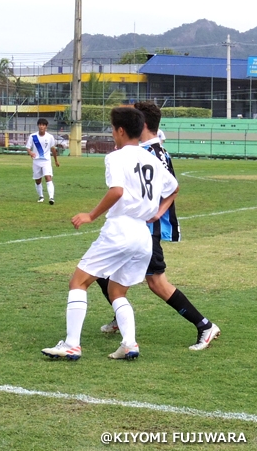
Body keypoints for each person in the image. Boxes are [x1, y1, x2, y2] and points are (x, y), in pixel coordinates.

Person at [41, 107, 179, 361]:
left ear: (121, 130)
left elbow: (116, 191)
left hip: (120, 229)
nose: (112, 134)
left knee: (78, 282)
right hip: (142, 235)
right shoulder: (152, 159)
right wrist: (158, 212)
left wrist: (90, 215)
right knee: (117, 290)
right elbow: (174, 187)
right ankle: (129, 343)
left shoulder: (116, 157)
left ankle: (72, 344)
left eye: (112, 129)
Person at [97, 102, 220, 350]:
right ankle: (120, 318)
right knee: (101, 271)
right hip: (136, 227)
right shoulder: (153, 150)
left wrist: (156, 213)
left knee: (156, 282)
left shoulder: (150, 154)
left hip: (146, 229)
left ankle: (204, 325)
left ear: (141, 124)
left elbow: (171, 189)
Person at [25, 118, 59, 204]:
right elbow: (28, 147)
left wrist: (56, 160)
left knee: (48, 177)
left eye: (43, 125)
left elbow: (53, 149)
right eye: (40, 125)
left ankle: (51, 198)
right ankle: (41, 196)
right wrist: (30, 153)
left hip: (46, 161)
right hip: (36, 161)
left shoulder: (50, 137)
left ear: (46, 126)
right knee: (38, 180)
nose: (41, 126)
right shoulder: (33, 136)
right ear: (38, 126)